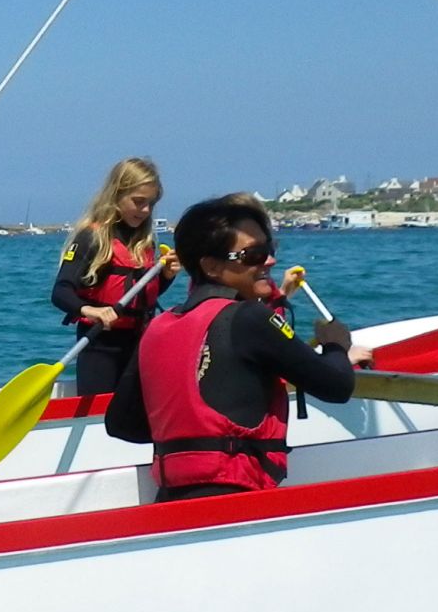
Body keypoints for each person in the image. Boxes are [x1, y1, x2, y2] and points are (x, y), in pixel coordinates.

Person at [105, 195, 374, 502]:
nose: (269, 261)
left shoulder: (158, 327)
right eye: (253, 254)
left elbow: (121, 424)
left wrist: (187, 443)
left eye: (270, 249)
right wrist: (336, 344)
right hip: (234, 500)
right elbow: (337, 386)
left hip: (171, 500)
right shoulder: (250, 318)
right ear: (211, 266)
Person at [51, 157, 181, 395]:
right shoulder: (91, 238)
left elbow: (138, 294)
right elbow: (60, 292)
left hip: (140, 343)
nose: (145, 211)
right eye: (138, 202)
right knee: (102, 412)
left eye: (151, 204)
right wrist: (91, 311)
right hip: (100, 344)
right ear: (116, 196)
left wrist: (166, 277)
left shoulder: (145, 241)